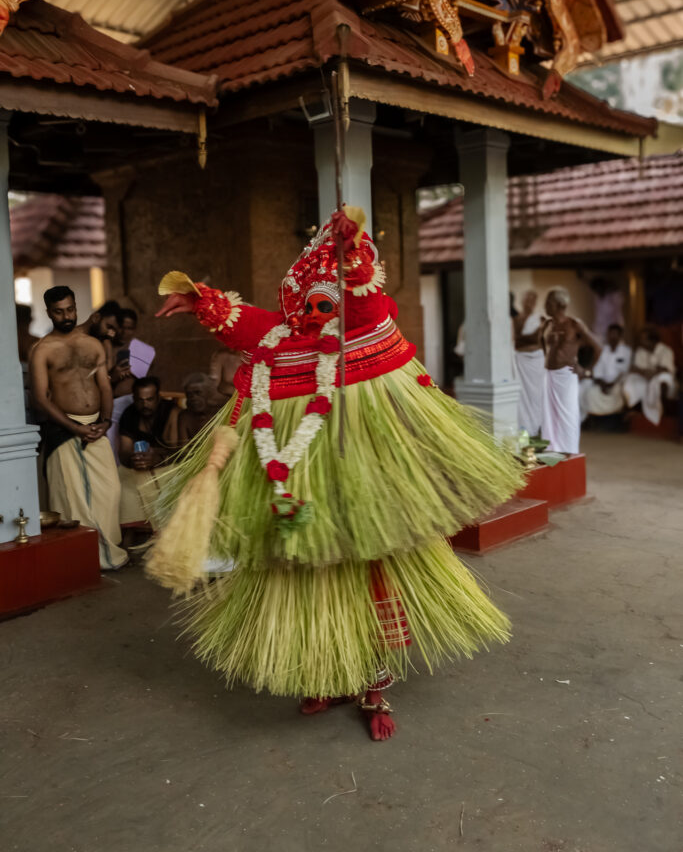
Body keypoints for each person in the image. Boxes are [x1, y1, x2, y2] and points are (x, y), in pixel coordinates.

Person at [148, 206, 523, 742]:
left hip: (359, 483)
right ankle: (324, 675)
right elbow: (257, 326)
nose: (308, 314)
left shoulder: (361, 321)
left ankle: (373, 690)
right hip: (302, 486)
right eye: (301, 304)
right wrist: (202, 302)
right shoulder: (284, 335)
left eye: (321, 305)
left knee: (369, 577)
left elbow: (365, 301)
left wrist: (353, 253)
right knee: (306, 581)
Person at [28, 286, 127, 570]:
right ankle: (84, 561)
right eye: (59, 312)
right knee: (72, 499)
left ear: (75, 307)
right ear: (49, 313)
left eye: (70, 309)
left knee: (110, 490)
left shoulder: (93, 344)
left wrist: (105, 422)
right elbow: (40, 399)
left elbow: (104, 386)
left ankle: (106, 549)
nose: (66, 316)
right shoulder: (42, 350)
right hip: (64, 430)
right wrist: (75, 427)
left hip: (97, 426)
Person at [541, 287, 601, 454]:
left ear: (560, 305)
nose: (545, 305)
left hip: (566, 375)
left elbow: (598, 348)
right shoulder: (548, 325)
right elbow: (545, 349)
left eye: (549, 302)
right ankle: (552, 451)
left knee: (567, 417)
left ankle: (569, 453)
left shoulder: (574, 324)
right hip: (549, 375)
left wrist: (586, 371)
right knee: (550, 416)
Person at [118, 376, 176, 524]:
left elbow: (177, 451)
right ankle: (133, 527)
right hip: (141, 465)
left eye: (149, 399)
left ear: (158, 397)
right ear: (134, 398)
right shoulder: (129, 414)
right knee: (123, 482)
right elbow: (124, 451)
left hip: (167, 464)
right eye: (140, 400)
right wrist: (134, 460)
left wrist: (157, 458)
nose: (145, 404)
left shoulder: (171, 411)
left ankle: (163, 527)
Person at [105, 307, 156, 462]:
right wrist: (113, 376)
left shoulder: (143, 351)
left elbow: (146, 380)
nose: (124, 332)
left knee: (131, 446)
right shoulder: (106, 348)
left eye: (130, 328)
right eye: (122, 327)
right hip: (111, 405)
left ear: (135, 329)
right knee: (111, 449)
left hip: (133, 404)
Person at [622, 327, 677, 426]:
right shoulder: (640, 350)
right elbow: (636, 368)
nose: (641, 342)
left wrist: (653, 372)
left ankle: (660, 412)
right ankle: (635, 409)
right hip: (645, 377)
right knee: (630, 380)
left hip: (660, 377)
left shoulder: (665, 350)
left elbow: (666, 369)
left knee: (661, 380)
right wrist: (645, 372)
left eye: (643, 339)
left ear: (652, 341)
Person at [579, 324, 631, 422]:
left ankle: (619, 417)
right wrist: (602, 383)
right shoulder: (602, 350)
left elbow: (624, 371)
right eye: (610, 334)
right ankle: (587, 418)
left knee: (624, 391)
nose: (612, 337)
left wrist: (612, 384)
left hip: (618, 382)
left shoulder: (626, 351)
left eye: (615, 334)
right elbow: (598, 370)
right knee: (588, 391)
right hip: (602, 382)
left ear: (620, 336)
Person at [514, 289, 544, 436]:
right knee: (522, 398)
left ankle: (538, 428)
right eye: (527, 299)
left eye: (532, 300)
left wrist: (524, 338)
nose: (529, 303)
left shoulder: (539, 319)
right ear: (522, 301)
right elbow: (516, 340)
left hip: (535, 362)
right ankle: (525, 430)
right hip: (521, 362)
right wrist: (528, 338)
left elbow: (537, 338)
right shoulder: (517, 319)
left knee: (536, 396)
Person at [167, 373, 215, 446]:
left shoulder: (220, 413)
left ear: (209, 393)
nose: (193, 398)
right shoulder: (185, 417)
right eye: (189, 394)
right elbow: (183, 448)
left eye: (198, 393)